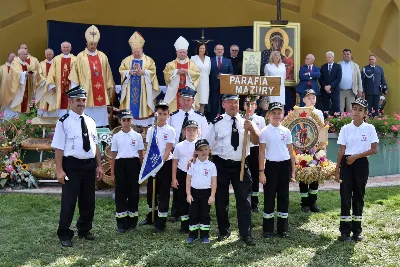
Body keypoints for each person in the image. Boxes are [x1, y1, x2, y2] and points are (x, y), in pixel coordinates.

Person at [51, 86, 104, 247]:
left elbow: (95, 145)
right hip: (71, 166)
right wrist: (59, 170)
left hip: (89, 165)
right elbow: (59, 148)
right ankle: (64, 234)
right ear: (71, 102)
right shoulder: (63, 122)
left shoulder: (90, 121)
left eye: (83, 100)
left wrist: (99, 166)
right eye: (78, 101)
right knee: (69, 201)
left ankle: (84, 229)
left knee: (88, 200)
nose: (81, 103)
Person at [205, 94, 259, 246]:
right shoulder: (216, 123)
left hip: (241, 165)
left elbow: (256, 141)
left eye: (235, 102)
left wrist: (252, 130)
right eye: (229, 103)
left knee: (244, 201)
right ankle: (224, 230)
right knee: (222, 201)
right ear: (223, 105)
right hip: (221, 165)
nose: (233, 105)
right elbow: (206, 143)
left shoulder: (247, 121)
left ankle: (245, 233)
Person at [335, 98, 378, 242]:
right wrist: (337, 170)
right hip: (346, 164)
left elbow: (374, 149)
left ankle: (357, 231)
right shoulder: (345, 129)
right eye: (354, 109)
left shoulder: (369, 128)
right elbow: (341, 150)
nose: (357, 112)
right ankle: (345, 231)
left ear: (365, 113)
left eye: (360, 110)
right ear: (351, 110)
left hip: (360, 164)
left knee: (358, 197)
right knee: (345, 197)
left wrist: (356, 156)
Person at [167, 87, 209, 222]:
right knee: (177, 186)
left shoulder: (200, 117)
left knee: (194, 186)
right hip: (177, 154)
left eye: (189, 100)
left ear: (193, 101)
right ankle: (176, 212)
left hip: (196, 156)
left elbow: (205, 137)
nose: (186, 102)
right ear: (179, 100)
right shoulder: (172, 117)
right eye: (183, 100)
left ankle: (194, 211)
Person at [258, 102, 295, 238]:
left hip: (284, 165)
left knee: (283, 196)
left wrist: (293, 171)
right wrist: (261, 172)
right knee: (269, 196)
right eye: (274, 113)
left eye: (279, 113)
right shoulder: (264, 132)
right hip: (271, 166)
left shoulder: (286, 131)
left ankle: (282, 229)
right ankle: (267, 229)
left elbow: (291, 153)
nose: (277, 115)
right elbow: (261, 153)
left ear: (282, 114)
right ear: (269, 115)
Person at [69, 25, 114, 127]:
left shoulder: (103, 56)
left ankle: (101, 126)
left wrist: (109, 87)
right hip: (86, 90)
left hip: (100, 91)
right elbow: (75, 74)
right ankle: (86, 126)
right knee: (86, 115)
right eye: (91, 44)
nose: (93, 46)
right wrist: (75, 90)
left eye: (94, 44)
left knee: (100, 113)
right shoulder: (80, 57)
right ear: (87, 44)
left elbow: (108, 74)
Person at [141, 101, 176, 232]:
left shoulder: (170, 130)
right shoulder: (151, 129)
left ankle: (161, 221)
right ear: (156, 114)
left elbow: (168, 149)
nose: (162, 116)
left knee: (163, 192)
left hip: (165, 164)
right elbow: (150, 148)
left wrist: (161, 162)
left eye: (164, 114)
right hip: (153, 163)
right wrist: (152, 164)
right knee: (151, 191)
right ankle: (151, 216)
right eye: (159, 113)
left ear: (168, 115)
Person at [110, 109, 144, 233]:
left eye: (128, 120)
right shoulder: (116, 136)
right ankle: (121, 224)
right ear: (120, 121)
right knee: (120, 194)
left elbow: (140, 154)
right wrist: (113, 173)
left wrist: (142, 171)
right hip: (120, 165)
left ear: (132, 120)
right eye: (124, 120)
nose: (126, 122)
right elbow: (114, 155)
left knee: (133, 194)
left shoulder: (137, 136)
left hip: (134, 165)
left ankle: (132, 223)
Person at [119, 31, 160, 126]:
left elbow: (153, 72)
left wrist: (144, 72)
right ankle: (130, 125)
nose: (136, 53)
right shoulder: (126, 60)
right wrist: (129, 72)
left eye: (138, 51)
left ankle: (145, 127)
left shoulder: (149, 60)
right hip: (130, 91)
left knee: (144, 108)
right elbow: (121, 71)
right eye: (134, 52)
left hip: (144, 92)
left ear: (142, 49)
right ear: (132, 51)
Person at [185, 139, 217, 244]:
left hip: (206, 193)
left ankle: (204, 235)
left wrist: (212, 196)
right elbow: (188, 180)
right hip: (194, 193)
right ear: (196, 152)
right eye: (201, 150)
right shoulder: (192, 165)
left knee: (205, 214)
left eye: (206, 149)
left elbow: (213, 182)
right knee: (193, 214)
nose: (203, 152)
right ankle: (192, 235)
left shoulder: (212, 166)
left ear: (209, 150)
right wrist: (188, 194)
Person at [171, 120, 199, 233]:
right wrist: (174, 178)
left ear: (198, 131)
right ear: (184, 131)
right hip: (182, 174)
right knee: (182, 199)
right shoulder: (179, 146)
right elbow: (174, 162)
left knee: (195, 199)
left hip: (197, 175)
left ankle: (194, 223)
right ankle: (184, 224)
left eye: (194, 129)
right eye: (188, 129)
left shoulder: (200, 145)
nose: (191, 132)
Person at [299, 89, 324, 213]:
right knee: (304, 173)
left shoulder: (319, 113)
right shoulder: (299, 111)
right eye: (309, 97)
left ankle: (313, 201)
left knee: (315, 173)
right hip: (303, 147)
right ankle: (304, 203)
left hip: (316, 147)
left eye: (313, 97)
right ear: (303, 99)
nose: (311, 100)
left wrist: (323, 148)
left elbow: (322, 130)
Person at [164, 36, 200, 113]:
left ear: (187, 53)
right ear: (177, 53)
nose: (182, 54)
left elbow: (197, 74)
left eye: (184, 52)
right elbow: (166, 74)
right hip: (175, 93)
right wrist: (175, 71)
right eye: (180, 52)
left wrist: (187, 72)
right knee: (174, 111)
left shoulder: (192, 64)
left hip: (188, 91)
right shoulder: (170, 64)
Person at [243, 98, 266, 213]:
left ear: (256, 106)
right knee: (246, 176)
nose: (250, 107)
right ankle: (246, 200)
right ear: (243, 106)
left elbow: (262, 137)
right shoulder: (240, 118)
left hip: (256, 149)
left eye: (252, 104)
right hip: (244, 150)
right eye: (247, 104)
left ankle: (255, 203)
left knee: (255, 175)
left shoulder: (260, 119)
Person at [44, 42, 76, 117]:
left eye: (67, 47)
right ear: (61, 49)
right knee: (60, 105)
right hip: (59, 88)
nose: (65, 49)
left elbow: (77, 74)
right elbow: (51, 73)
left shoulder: (75, 59)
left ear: (70, 48)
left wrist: (75, 87)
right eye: (64, 47)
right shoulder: (56, 59)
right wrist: (52, 85)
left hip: (71, 86)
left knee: (71, 107)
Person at [2, 49, 35, 118]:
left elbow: (32, 70)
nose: (26, 56)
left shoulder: (26, 64)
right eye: (24, 54)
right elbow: (16, 73)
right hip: (16, 89)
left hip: (24, 90)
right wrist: (24, 73)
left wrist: (32, 73)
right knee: (15, 108)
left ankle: (20, 124)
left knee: (22, 107)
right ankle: (10, 124)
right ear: (19, 55)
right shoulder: (15, 63)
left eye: (27, 54)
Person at [208, 44, 233, 121]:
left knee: (224, 105)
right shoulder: (209, 60)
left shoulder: (228, 61)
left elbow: (231, 73)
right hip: (213, 87)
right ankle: (213, 121)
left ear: (223, 51)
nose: (219, 51)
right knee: (214, 106)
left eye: (221, 49)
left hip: (225, 88)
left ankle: (224, 121)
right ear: (215, 51)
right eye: (218, 49)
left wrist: (223, 76)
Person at [338, 49, 363, 113]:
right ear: (343, 55)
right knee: (340, 109)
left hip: (351, 91)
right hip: (340, 91)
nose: (346, 55)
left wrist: (360, 90)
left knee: (350, 109)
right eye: (345, 54)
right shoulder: (338, 64)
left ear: (350, 55)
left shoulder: (355, 65)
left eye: (348, 54)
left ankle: (349, 122)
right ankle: (341, 122)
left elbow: (359, 78)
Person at [319, 51, 342, 115]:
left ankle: (336, 122)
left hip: (334, 90)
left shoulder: (338, 66)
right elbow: (320, 79)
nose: (327, 59)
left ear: (333, 58)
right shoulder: (323, 66)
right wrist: (325, 87)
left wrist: (330, 86)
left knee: (336, 107)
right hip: (324, 90)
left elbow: (338, 78)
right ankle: (326, 121)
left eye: (329, 57)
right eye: (326, 57)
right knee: (325, 107)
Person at [190, 43, 211, 114]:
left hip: (205, 83)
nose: (202, 50)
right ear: (198, 49)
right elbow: (191, 70)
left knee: (203, 103)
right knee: (196, 102)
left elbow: (209, 71)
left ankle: (201, 118)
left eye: (203, 48)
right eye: (200, 48)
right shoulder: (193, 58)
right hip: (196, 83)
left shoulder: (208, 59)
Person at [36, 48, 55, 116]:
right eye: (47, 54)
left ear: (53, 54)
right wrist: (48, 82)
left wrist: (53, 85)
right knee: (44, 106)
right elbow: (39, 75)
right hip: (44, 88)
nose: (48, 56)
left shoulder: (56, 63)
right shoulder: (41, 64)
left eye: (49, 54)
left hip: (54, 89)